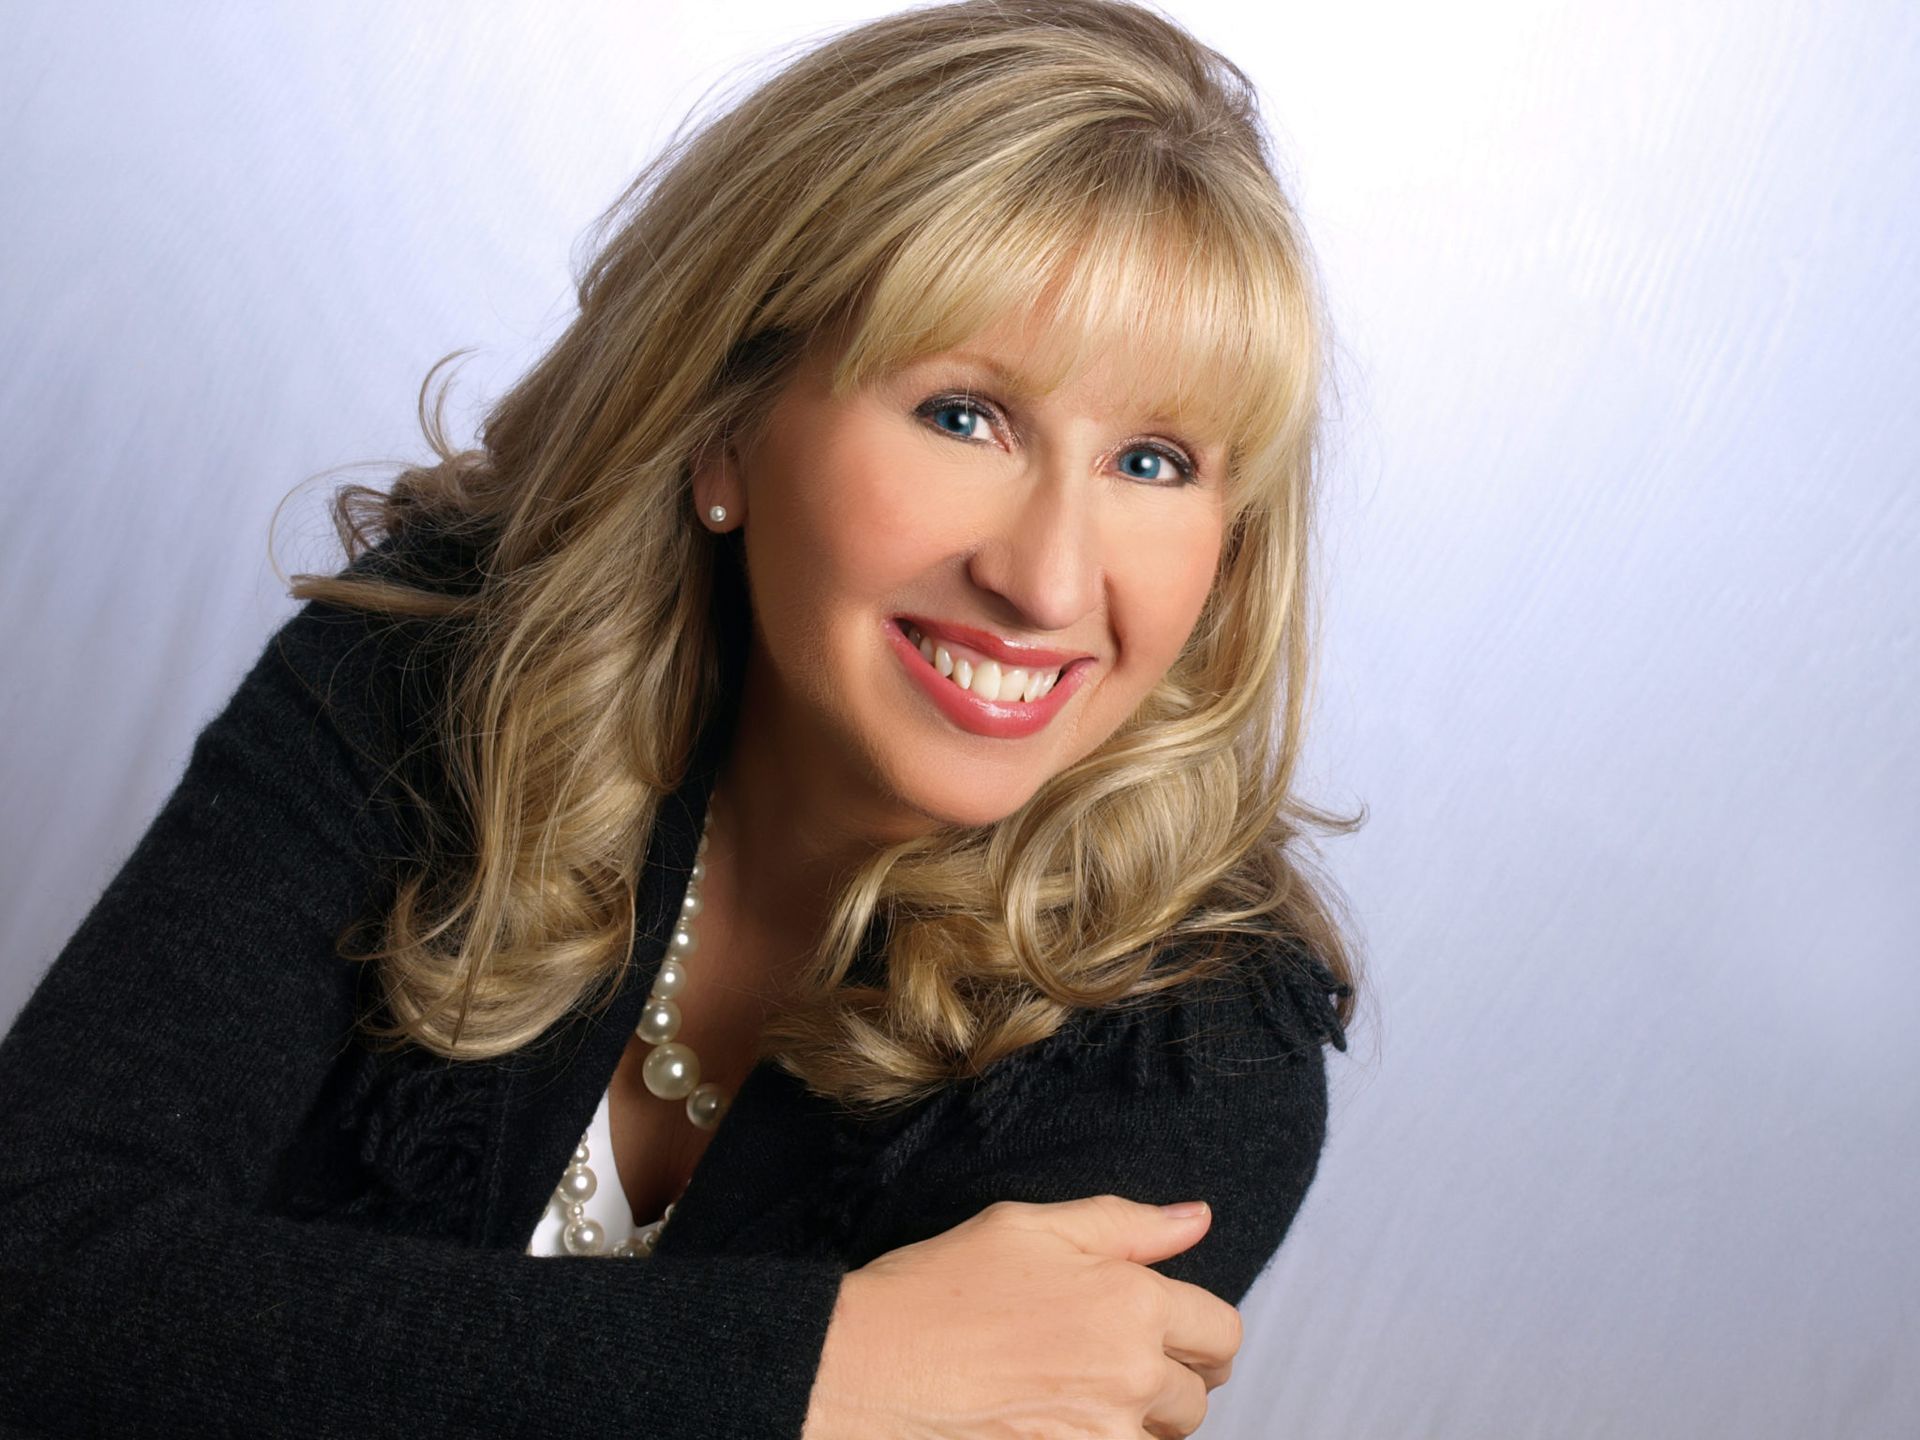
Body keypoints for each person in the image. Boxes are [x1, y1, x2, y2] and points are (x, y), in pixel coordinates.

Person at [0, 1, 1365, 1435]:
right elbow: (33, 1272)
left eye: (1153, 459)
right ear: (725, 425)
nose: (1045, 578)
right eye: (965, 416)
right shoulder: (442, 671)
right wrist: (823, 1368)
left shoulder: (1194, 1050)